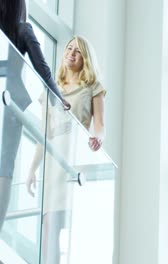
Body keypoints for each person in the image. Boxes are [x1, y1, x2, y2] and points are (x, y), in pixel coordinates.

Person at [26, 35, 106, 264]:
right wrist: (32, 169)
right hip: (52, 167)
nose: (71, 53)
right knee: (48, 228)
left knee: (70, 227)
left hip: (73, 165)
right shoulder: (52, 90)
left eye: (78, 51)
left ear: (85, 58)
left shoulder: (93, 87)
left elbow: (100, 126)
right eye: (69, 49)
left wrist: (97, 139)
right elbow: (44, 134)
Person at [0, 0, 69, 233]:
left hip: (8, 103)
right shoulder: (22, 28)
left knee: (5, 168)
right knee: (5, 168)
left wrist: (56, 99)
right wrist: (56, 98)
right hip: (12, 103)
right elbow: (43, 69)